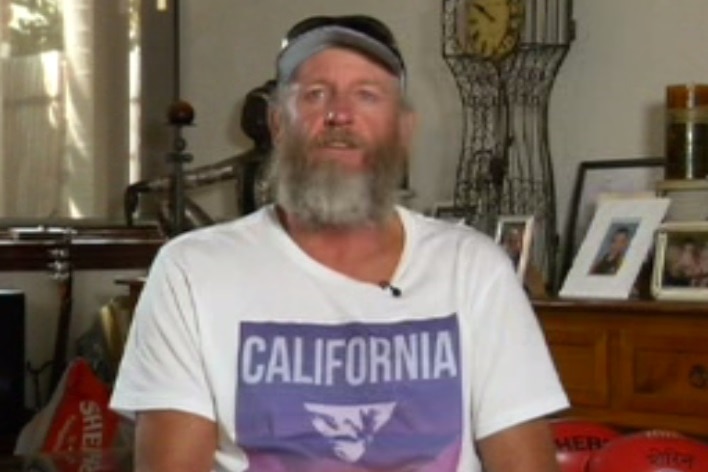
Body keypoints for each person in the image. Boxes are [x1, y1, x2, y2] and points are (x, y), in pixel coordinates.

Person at [110, 14, 568, 472]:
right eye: (315, 94)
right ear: (277, 123)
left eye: (367, 95)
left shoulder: (474, 270)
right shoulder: (192, 272)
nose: (339, 114)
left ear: (403, 129)